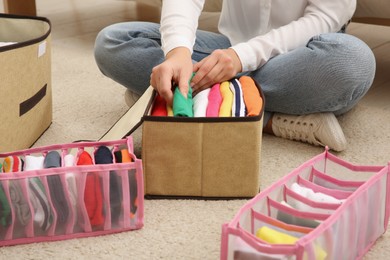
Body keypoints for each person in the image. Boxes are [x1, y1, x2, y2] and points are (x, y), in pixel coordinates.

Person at [94, 0, 375, 152]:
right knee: (114, 41)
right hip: (226, 50)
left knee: (353, 62)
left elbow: (324, 18)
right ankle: (269, 117)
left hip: (300, 60)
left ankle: (186, 98)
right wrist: (177, 53)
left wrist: (242, 58)